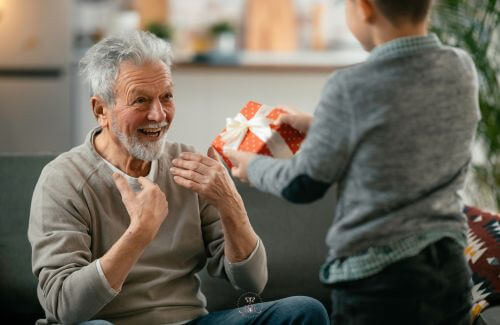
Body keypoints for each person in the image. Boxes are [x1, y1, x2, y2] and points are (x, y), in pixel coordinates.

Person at [28, 30, 329, 325]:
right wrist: (140, 233)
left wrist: (230, 203)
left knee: (303, 311)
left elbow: (253, 283)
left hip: (188, 321)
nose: (158, 115)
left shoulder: (188, 165)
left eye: (167, 97)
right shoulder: (63, 180)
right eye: (140, 100)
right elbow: (63, 309)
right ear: (100, 110)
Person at [226, 0, 480, 324]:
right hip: (449, 269)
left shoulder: (349, 86)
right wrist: (323, 127)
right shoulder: (460, 68)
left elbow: (303, 183)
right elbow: (408, 133)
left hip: (379, 282)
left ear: (364, 8)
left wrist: (252, 167)